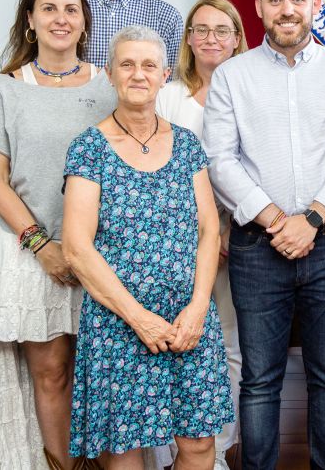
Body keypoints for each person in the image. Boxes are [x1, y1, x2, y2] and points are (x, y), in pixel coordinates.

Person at [204, 0, 325, 470]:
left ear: (315, 4)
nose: (287, 9)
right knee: (259, 379)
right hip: (258, 244)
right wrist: (278, 221)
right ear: (258, 7)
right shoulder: (231, 77)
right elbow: (219, 159)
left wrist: (313, 219)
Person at [62, 26, 234, 470]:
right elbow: (78, 249)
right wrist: (140, 320)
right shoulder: (89, 149)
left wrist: (198, 308)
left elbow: (209, 232)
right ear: (110, 74)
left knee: (198, 445)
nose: (138, 74)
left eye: (149, 65)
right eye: (127, 64)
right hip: (119, 321)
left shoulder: (187, 145)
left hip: (187, 320)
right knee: (125, 452)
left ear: (163, 76)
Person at [0, 0, 115, 470]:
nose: (61, 18)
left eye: (71, 9)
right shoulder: (5, 89)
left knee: (103, 371)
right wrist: (42, 245)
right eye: (49, 8)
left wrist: (82, 250)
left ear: (84, 21)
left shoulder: (109, 85)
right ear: (30, 20)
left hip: (102, 253)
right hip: (31, 252)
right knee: (51, 373)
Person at [155, 0, 249, 470]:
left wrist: (231, 228)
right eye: (201, 29)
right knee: (171, 341)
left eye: (222, 29)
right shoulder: (167, 96)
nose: (211, 38)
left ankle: (217, 451)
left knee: (227, 343)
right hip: (173, 245)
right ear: (188, 39)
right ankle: (175, 453)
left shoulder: (250, 92)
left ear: (237, 37)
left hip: (235, 241)